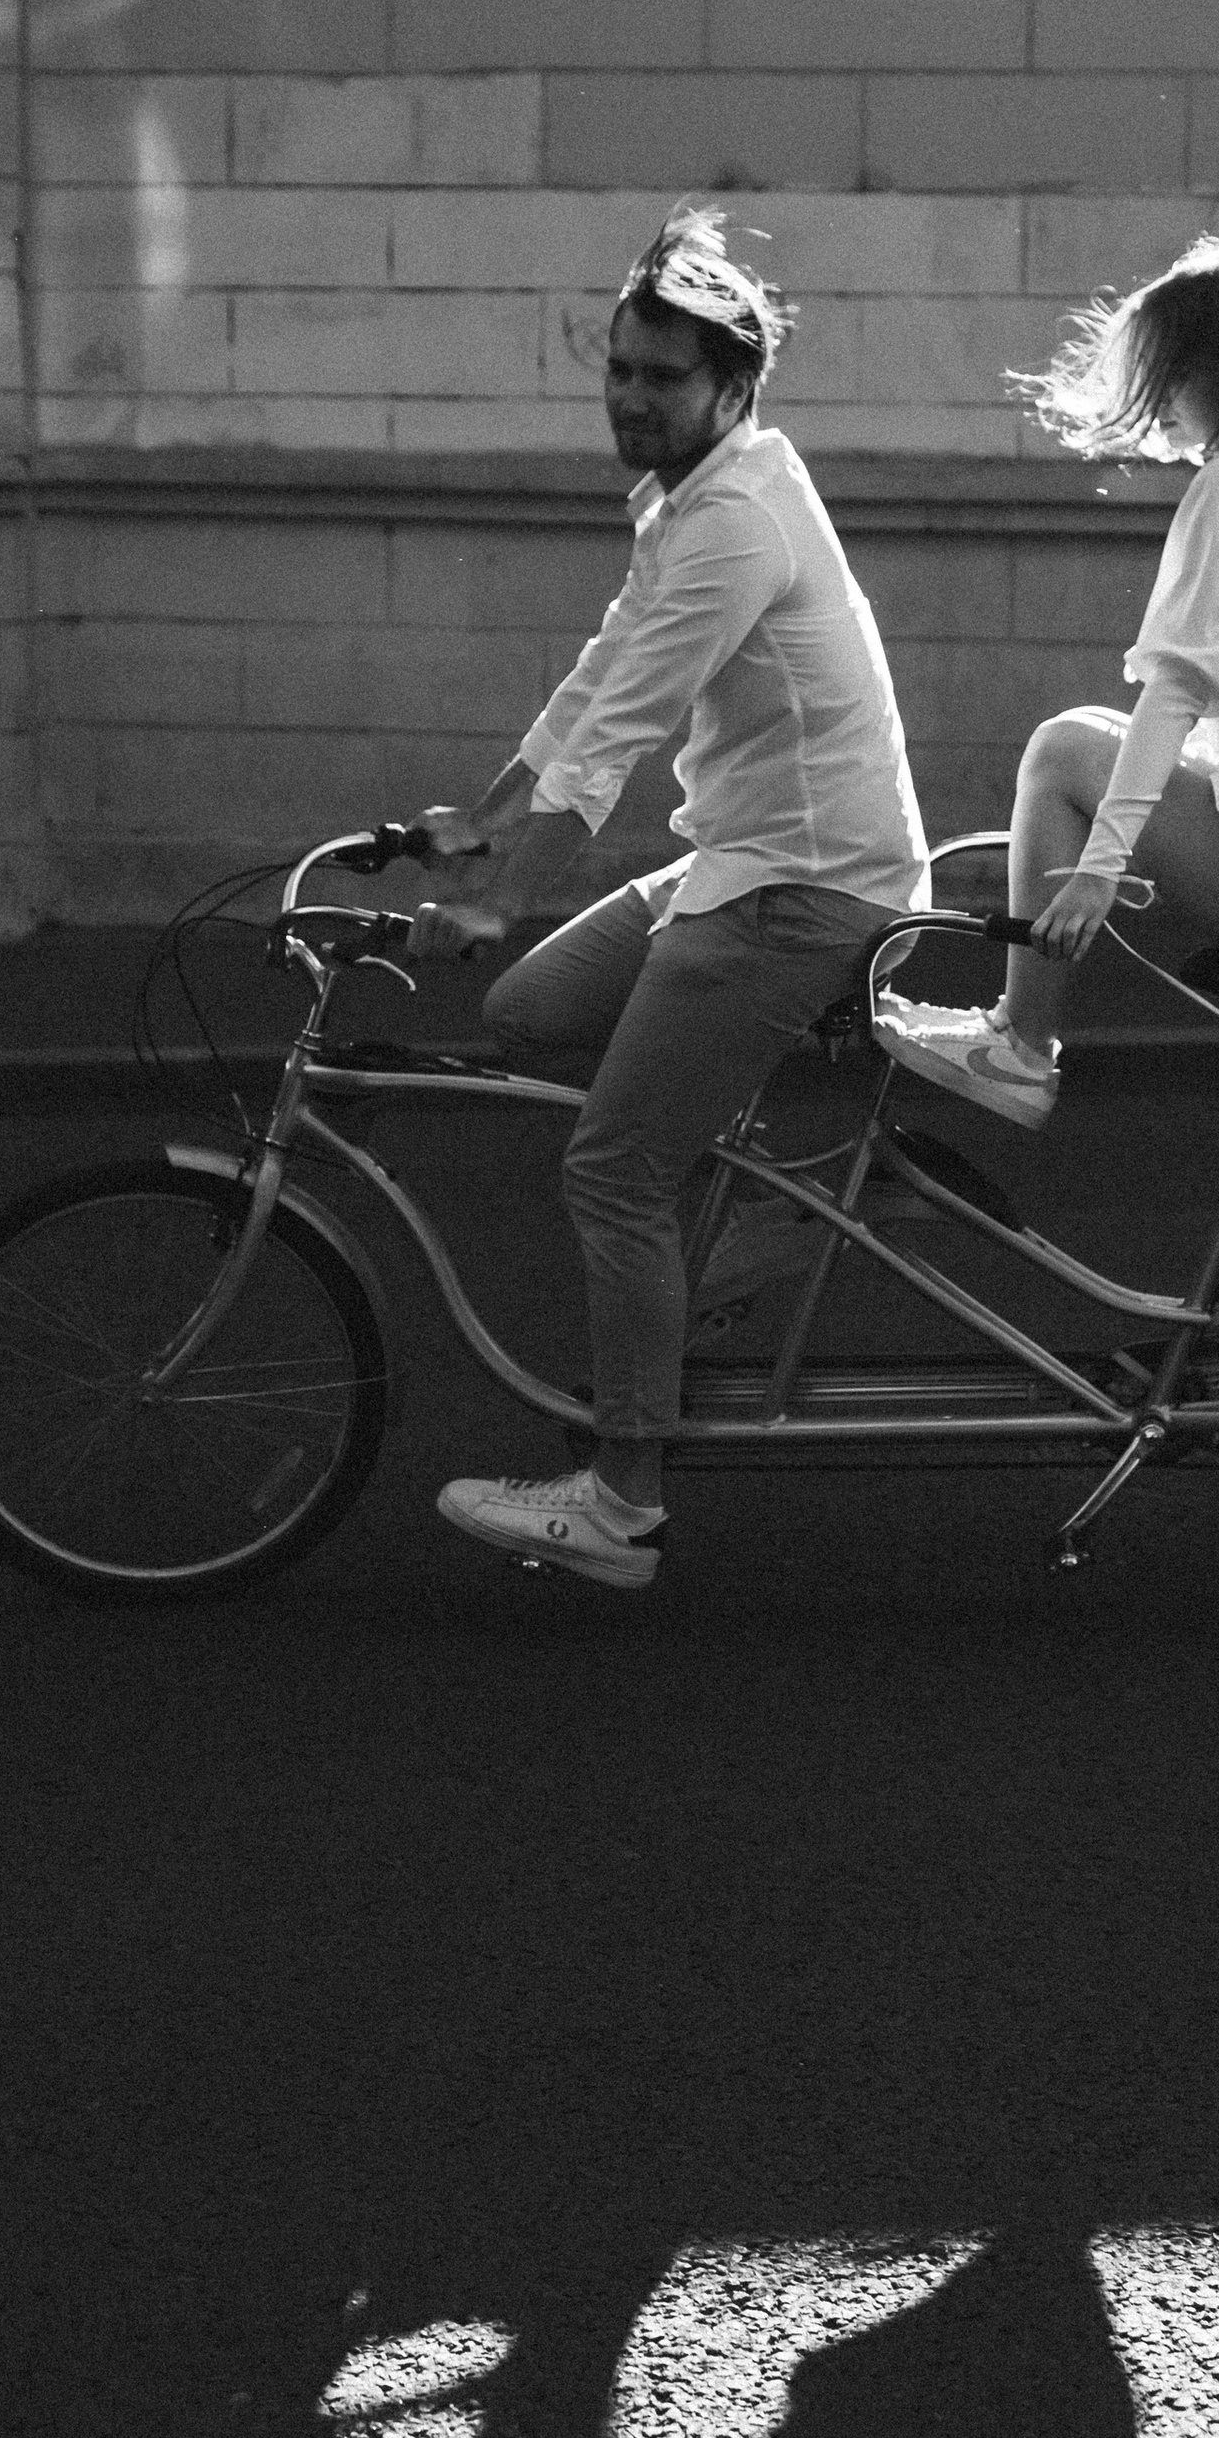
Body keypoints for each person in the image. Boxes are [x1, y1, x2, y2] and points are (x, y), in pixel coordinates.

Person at [414, 204, 930, 1593]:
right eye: (618, 368)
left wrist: (498, 897)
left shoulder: (735, 525)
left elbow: (620, 738)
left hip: (805, 890)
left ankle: (623, 1501)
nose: (630, 397)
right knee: (530, 1013)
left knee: (612, 1169)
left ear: (733, 385)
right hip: (738, 860)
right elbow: (598, 675)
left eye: (663, 377)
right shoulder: (691, 497)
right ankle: (781, 1184)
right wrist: (480, 820)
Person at [876, 230, 1219, 1130]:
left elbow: (1178, 690)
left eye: (1173, 369)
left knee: (1062, 750)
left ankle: (1020, 1045)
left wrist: (1099, 869)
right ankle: (1020, 1035)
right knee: (1094, 741)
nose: (1161, 392)